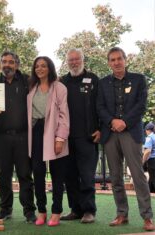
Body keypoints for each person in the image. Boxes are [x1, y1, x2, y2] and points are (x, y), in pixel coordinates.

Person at [97, 47, 155, 231]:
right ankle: (121, 214)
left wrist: (124, 122)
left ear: (125, 59)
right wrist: (112, 121)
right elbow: (99, 106)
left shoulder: (139, 79)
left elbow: (141, 105)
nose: (116, 62)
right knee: (115, 177)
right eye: (112, 60)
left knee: (138, 176)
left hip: (131, 132)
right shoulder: (103, 82)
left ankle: (147, 217)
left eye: (119, 59)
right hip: (110, 133)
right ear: (109, 63)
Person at [0, 51, 36, 223]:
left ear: (17, 65)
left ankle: (29, 211)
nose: (7, 65)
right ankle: (5, 209)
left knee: (25, 175)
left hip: (23, 137)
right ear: (0, 64)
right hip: (1, 138)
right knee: (3, 176)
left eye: (11, 62)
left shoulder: (28, 82)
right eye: (4, 61)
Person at [27, 56, 69, 227]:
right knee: (37, 174)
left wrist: (60, 139)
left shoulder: (59, 87)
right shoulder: (31, 88)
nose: (40, 69)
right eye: (37, 66)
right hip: (36, 132)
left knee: (57, 175)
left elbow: (64, 115)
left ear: (50, 68)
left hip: (54, 131)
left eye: (43, 66)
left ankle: (56, 211)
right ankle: (42, 211)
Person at [60, 48, 100, 223]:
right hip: (66, 138)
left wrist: (100, 129)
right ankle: (75, 209)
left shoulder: (93, 80)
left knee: (86, 175)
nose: (74, 62)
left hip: (88, 136)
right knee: (70, 176)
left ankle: (89, 211)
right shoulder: (61, 82)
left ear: (83, 60)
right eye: (71, 60)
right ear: (67, 62)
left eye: (77, 59)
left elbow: (100, 106)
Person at [142, 122, 155, 193]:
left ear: (147, 130)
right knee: (152, 178)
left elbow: (147, 151)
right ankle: (149, 191)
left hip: (152, 160)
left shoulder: (149, 138)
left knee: (153, 178)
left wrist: (143, 161)